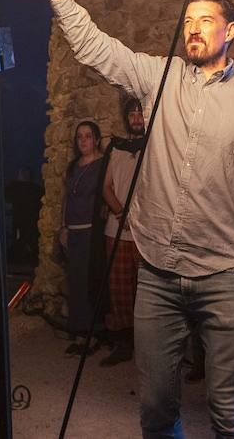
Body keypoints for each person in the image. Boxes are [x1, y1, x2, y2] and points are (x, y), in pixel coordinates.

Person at [51, 0, 234, 438]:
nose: (193, 27)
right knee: (156, 412)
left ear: (230, 31)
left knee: (230, 416)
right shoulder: (159, 77)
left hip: (226, 275)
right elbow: (96, 47)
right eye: (189, 19)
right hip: (158, 274)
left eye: (206, 20)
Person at [99, 96, 146, 367]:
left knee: (144, 289)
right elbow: (106, 187)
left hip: (144, 231)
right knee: (119, 290)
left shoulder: (152, 147)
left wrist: (138, 218)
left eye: (140, 114)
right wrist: (121, 213)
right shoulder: (116, 149)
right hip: (116, 229)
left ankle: (146, 344)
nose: (136, 119)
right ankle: (122, 343)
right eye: (132, 115)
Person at [59, 119, 109, 355]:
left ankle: (92, 334)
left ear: (97, 139)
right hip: (74, 231)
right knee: (76, 283)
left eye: (88, 136)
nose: (83, 140)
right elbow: (66, 198)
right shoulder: (73, 167)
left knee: (90, 282)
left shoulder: (102, 165)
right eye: (79, 136)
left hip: (91, 231)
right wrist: (63, 227)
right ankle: (78, 333)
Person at [5, 166, 44, 265]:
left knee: (21, 242)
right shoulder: (37, 189)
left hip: (22, 223)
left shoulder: (14, 187)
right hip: (31, 224)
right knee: (27, 243)